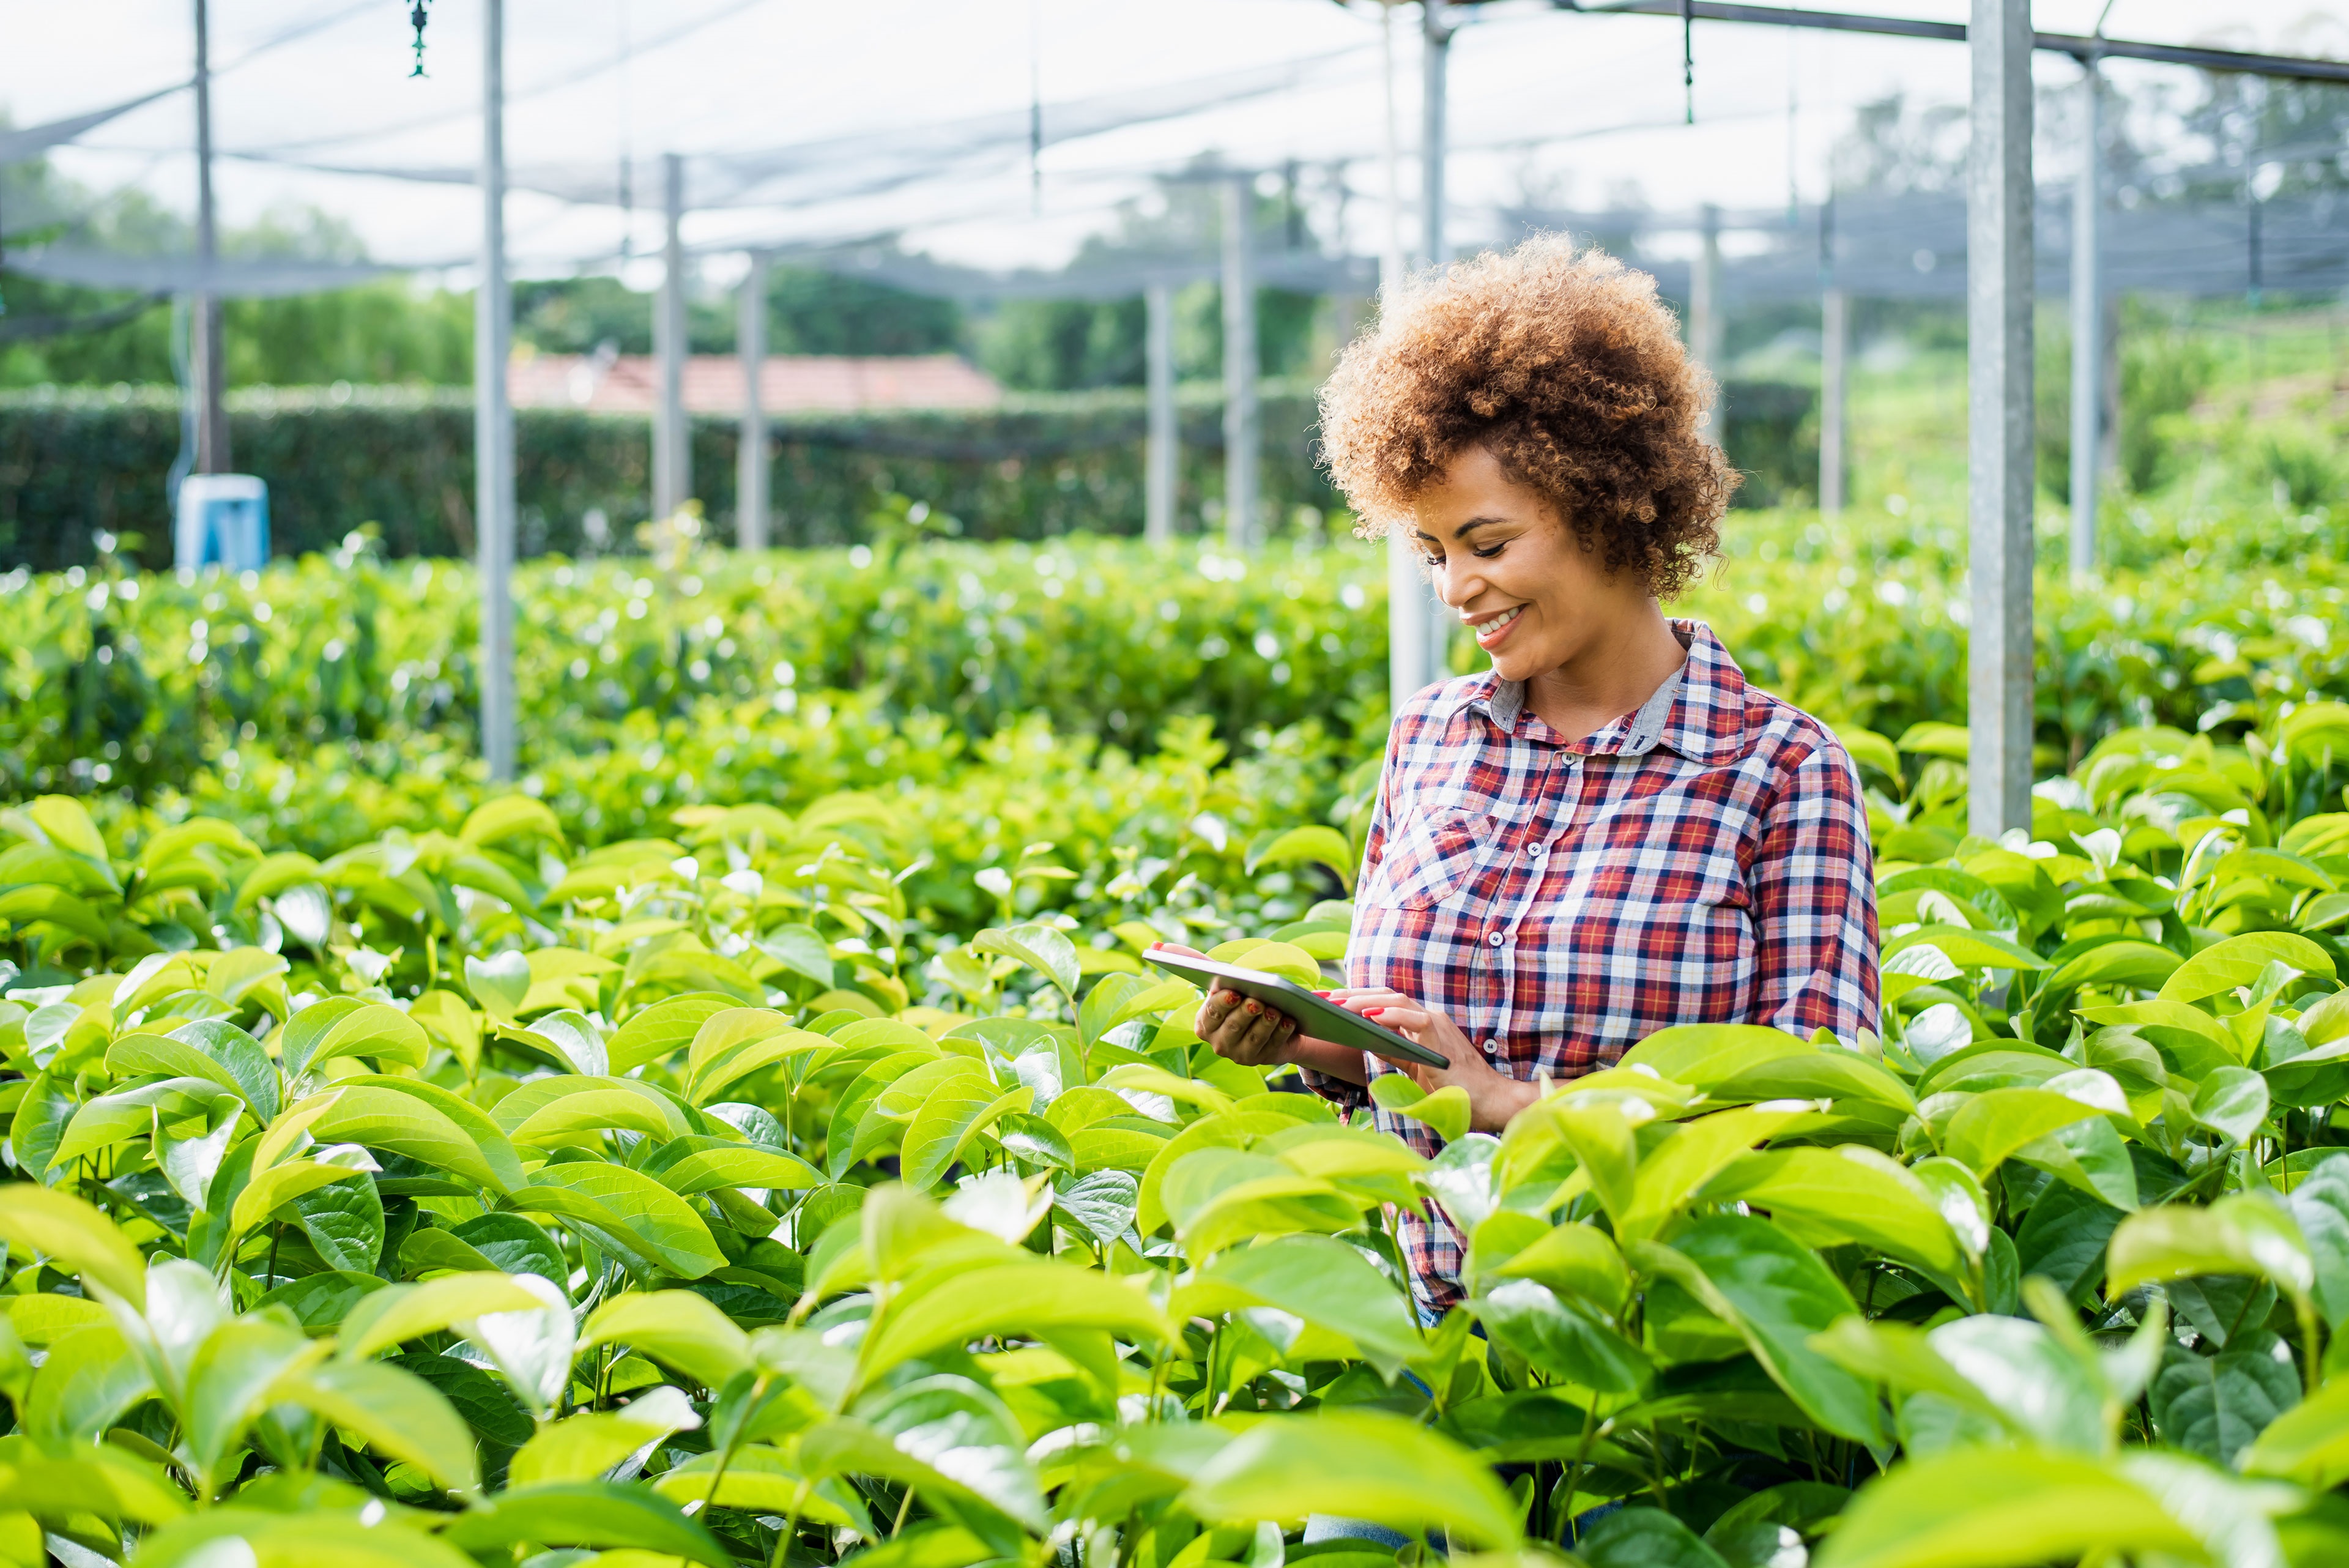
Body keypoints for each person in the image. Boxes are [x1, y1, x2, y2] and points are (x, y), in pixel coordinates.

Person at [1157, 235, 1878, 1323]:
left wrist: (1507, 1106)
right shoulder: (1431, 741)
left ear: (1606, 505)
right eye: (1436, 551)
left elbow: (1817, 1107)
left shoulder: (1777, 771)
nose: (1457, 589)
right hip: (1432, 1325)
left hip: (1659, 1355)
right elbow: (1419, 1063)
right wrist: (1327, 1049)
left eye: (1487, 543)